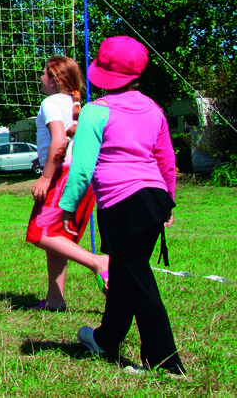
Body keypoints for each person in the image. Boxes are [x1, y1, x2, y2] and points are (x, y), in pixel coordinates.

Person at [60, 37, 185, 376]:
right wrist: (168, 203)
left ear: (101, 72)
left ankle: (166, 364)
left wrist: (69, 207)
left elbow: (83, 167)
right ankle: (105, 338)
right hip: (153, 198)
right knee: (126, 271)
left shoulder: (95, 111)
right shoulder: (154, 109)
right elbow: (166, 160)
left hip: (122, 203)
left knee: (137, 278)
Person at [26, 56, 108, 311]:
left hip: (62, 174)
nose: (40, 78)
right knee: (58, 238)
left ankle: (98, 262)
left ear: (54, 80)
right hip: (84, 175)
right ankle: (55, 299)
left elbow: (59, 139)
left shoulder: (51, 102)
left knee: (39, 234)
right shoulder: (77, 106)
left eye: (43, 74)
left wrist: (46, 176)